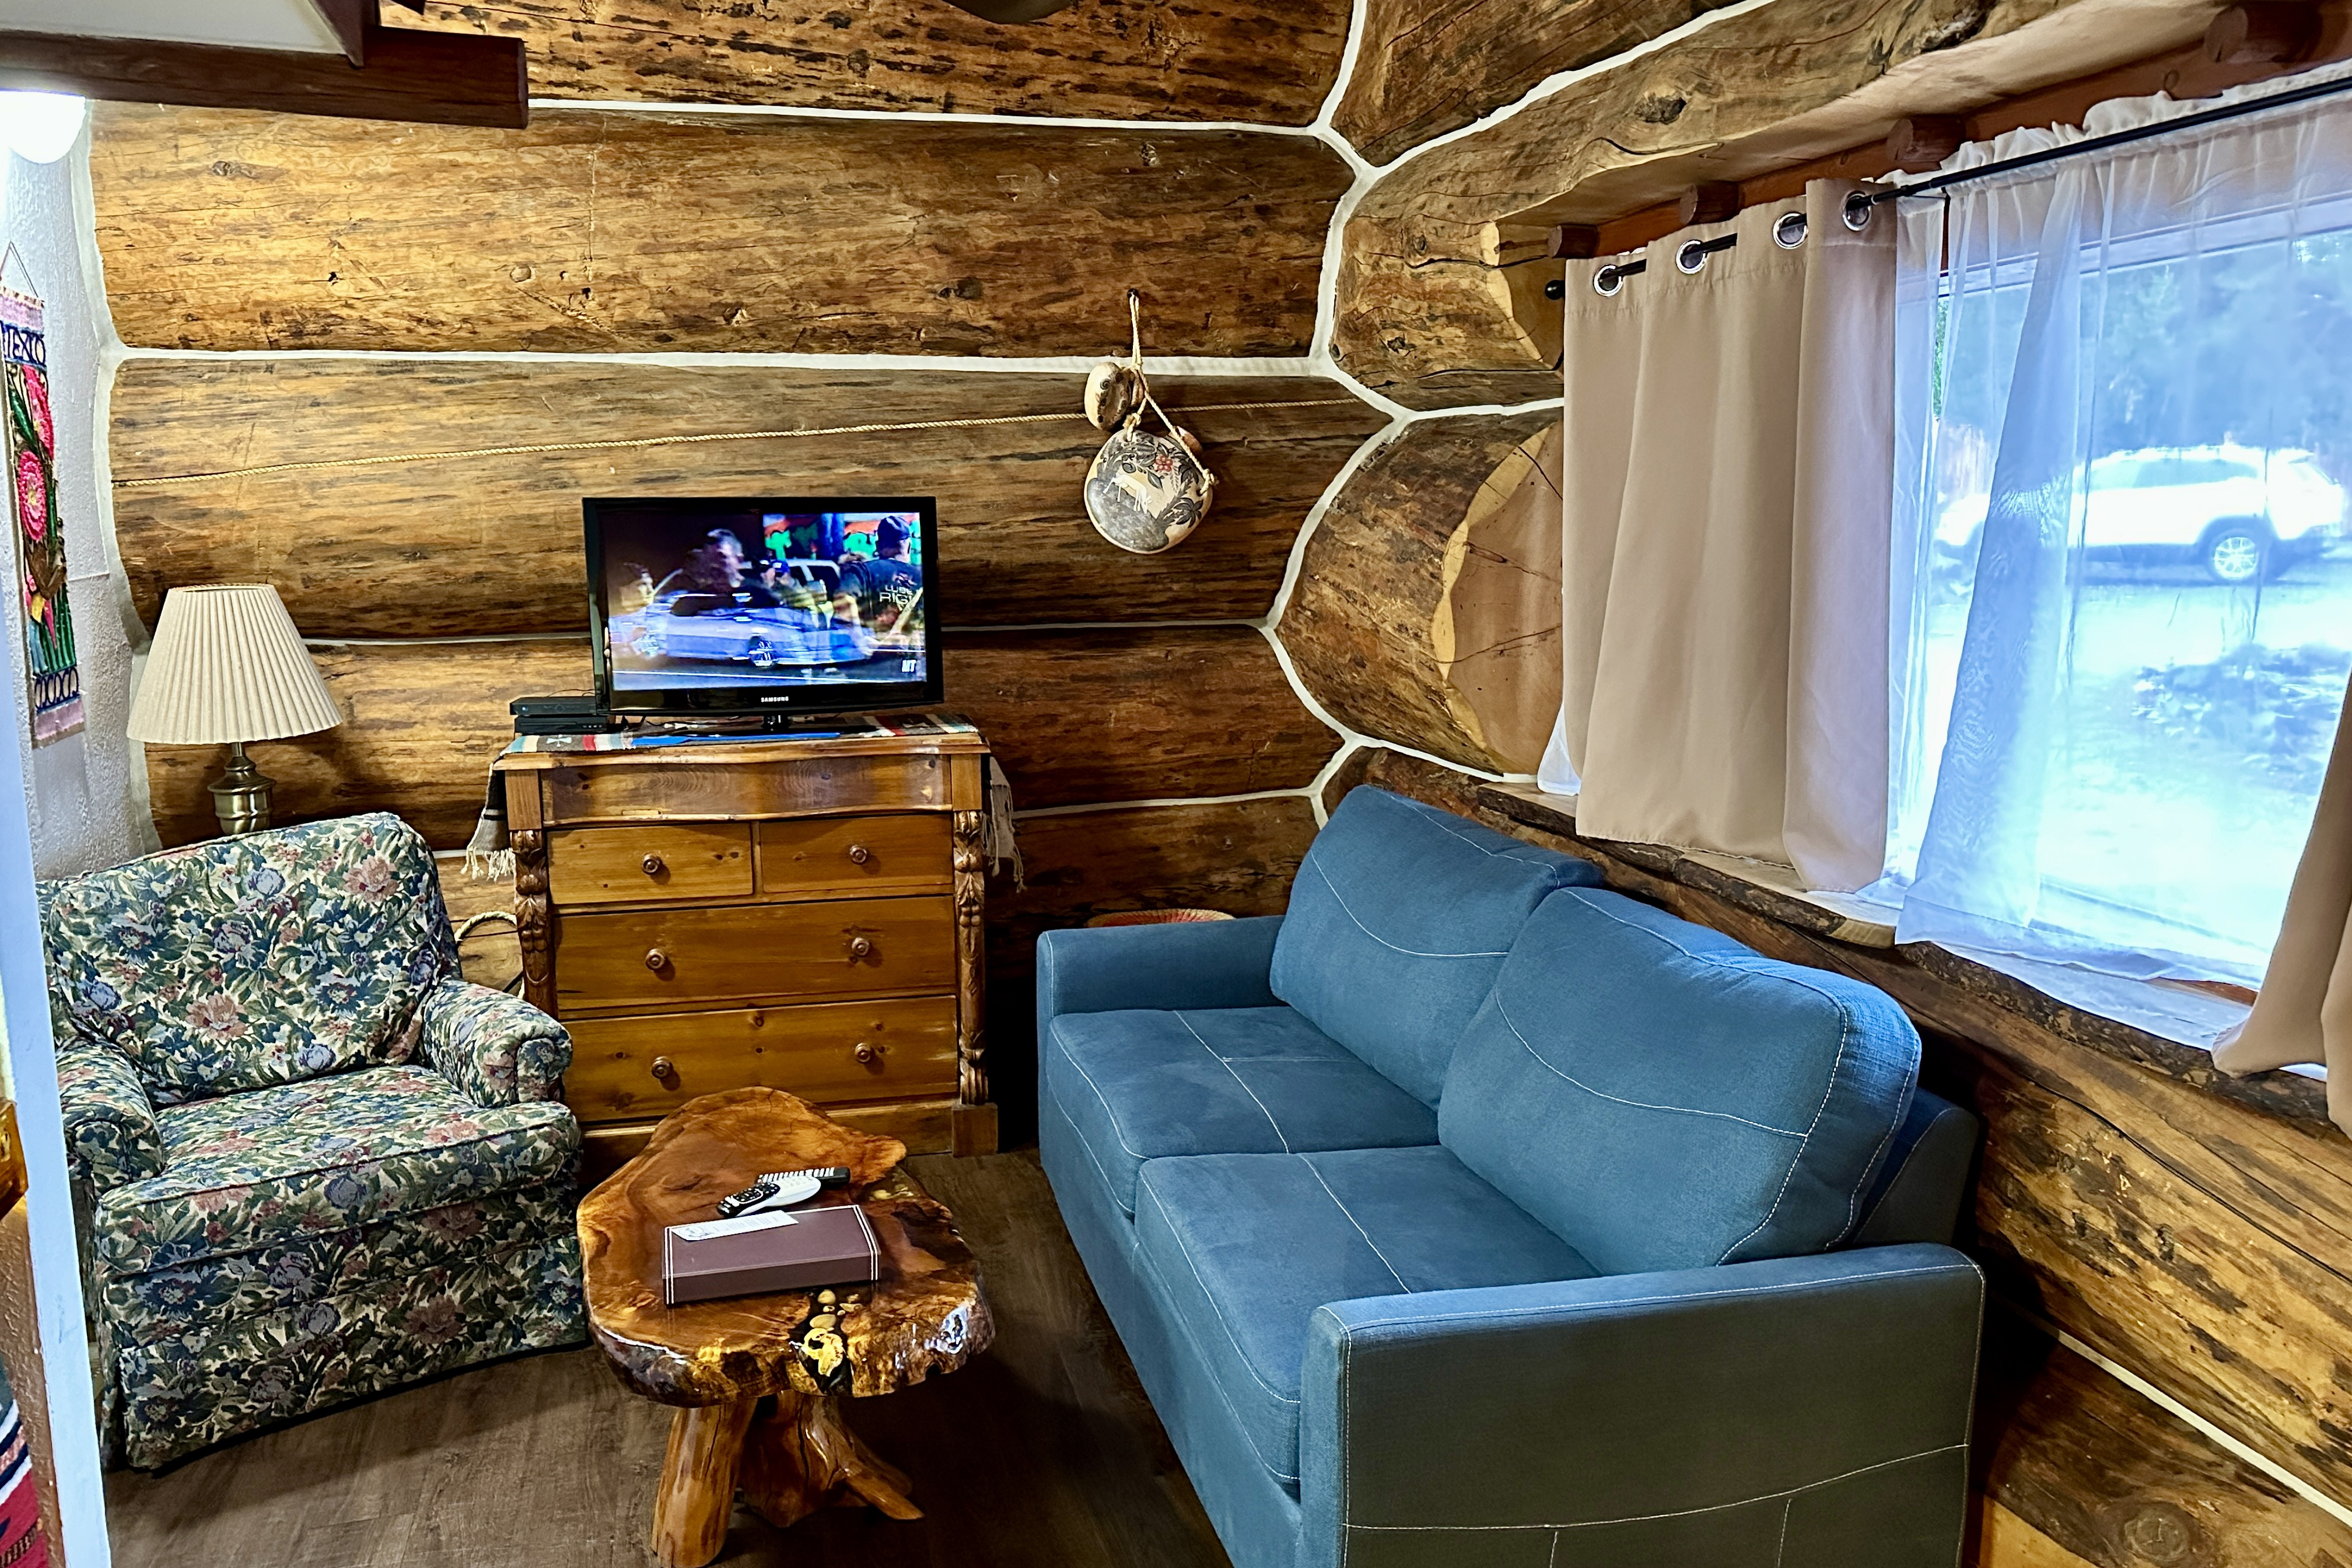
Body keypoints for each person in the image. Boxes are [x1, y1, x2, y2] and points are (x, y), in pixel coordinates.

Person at [834, 517, 923, 637]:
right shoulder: (923, 578)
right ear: (909, 546)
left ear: (878, 546)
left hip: (877, 651)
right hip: (917, 653)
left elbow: (844, 601)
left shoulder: (862, 571)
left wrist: (861, 643)